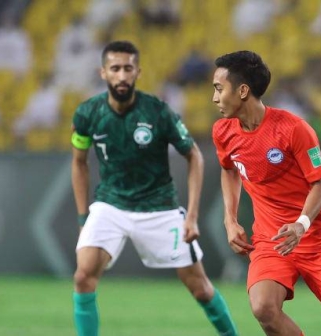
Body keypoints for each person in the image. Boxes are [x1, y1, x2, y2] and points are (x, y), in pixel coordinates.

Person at [70, 40, 239, 336]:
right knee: (83, 276)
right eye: (115, 69)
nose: (122, 75)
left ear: (137, 72)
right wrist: (84, 217)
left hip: (159, 208)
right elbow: (79, 163)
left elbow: (194, 156)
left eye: (128, 69)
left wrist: (191, 217)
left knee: (200, 288)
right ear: (103, 73)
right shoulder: (86, 114)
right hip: (110, 205)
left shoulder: (158, 112)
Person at [211, 50, 321, 336]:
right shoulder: (223, 131)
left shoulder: (293, 129)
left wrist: (301, 225)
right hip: (271, 240)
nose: (214, 98)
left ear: (242, 90)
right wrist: (230, 218)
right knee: (263, 307)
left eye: (219, 89)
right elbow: (229, 169)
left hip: (318, 240)